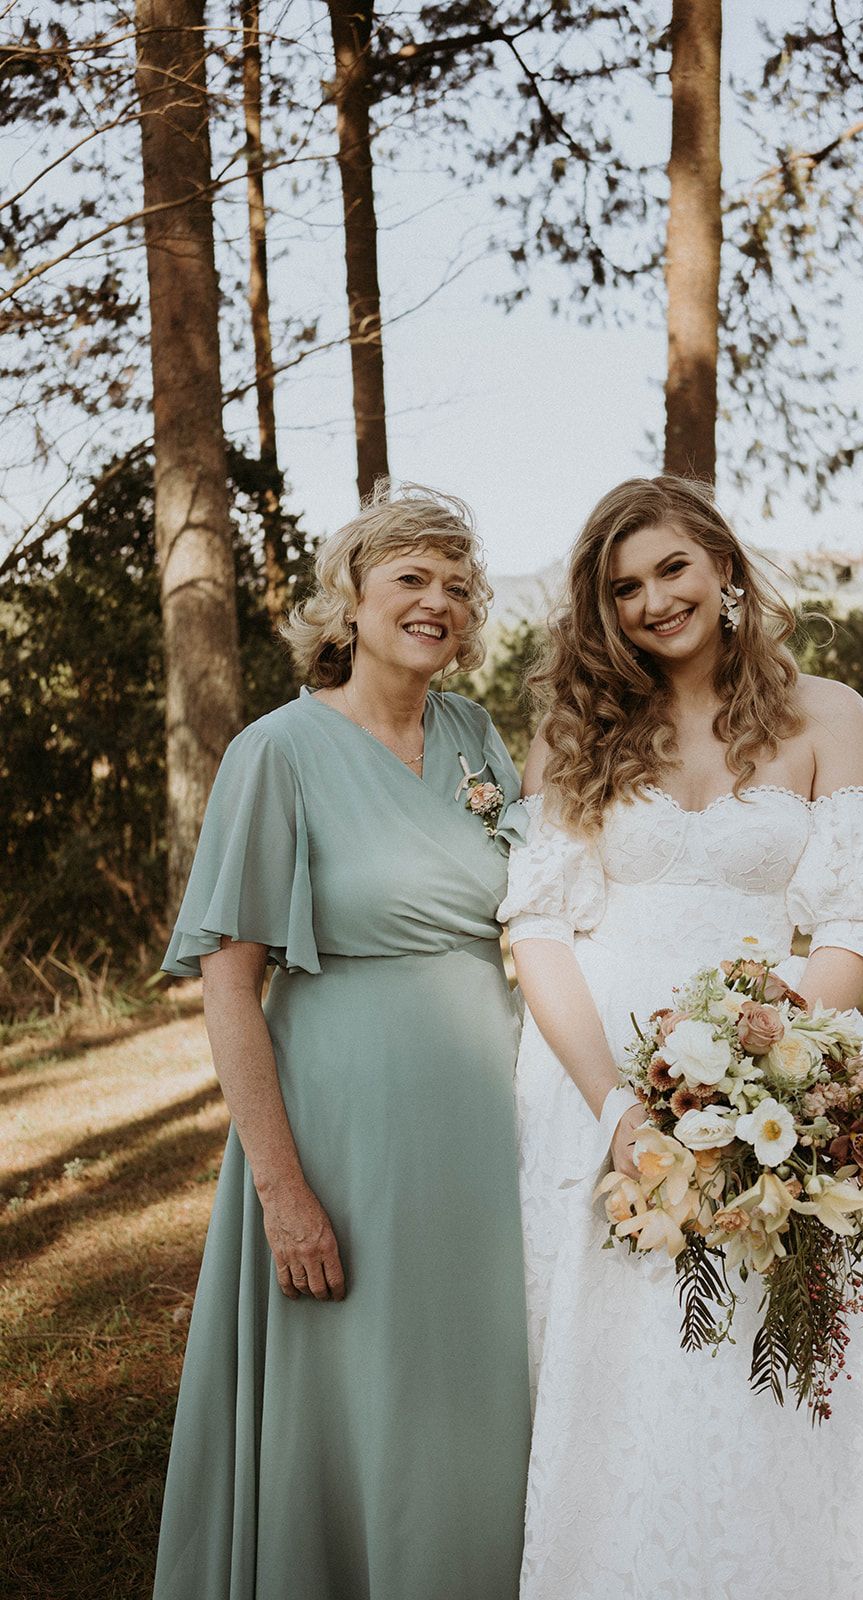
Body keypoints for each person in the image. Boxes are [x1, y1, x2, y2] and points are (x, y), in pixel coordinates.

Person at [499, 475, 863, 1600]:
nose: (655, 600)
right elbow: (539, 926)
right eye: (624, 588)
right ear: (601, 611)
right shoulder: (577, 729)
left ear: (721, 564)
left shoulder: (826, 712)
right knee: (636, 1349)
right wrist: (619, 1106)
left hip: (789, 1045)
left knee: (827, 1323)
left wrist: (781, 1067)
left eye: (671, 568)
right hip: (597, 1066)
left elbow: (851, 918)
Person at [154, 484, 529, 1600]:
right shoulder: (277, 751)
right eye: (410, 579)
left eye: (456, 586)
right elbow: (230, 986)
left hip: (487, 1103)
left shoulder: (473, 735)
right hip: (345, 1119)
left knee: (488, 1370)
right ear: (348, 601)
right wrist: (282, 1188)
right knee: (369, 1379)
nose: (438, 602)